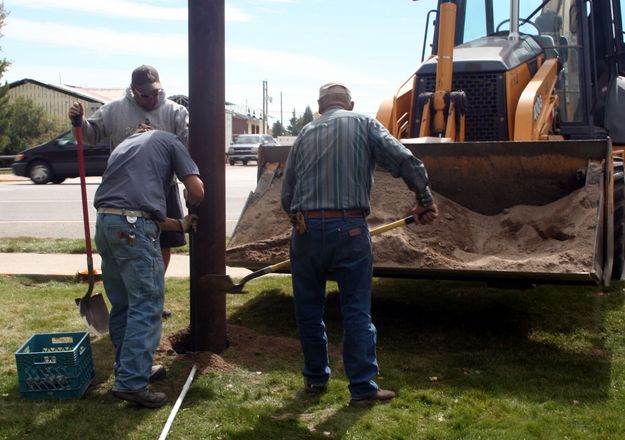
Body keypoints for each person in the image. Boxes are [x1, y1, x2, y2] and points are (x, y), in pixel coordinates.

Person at [281, 82, 439, 407]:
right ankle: (363, 388)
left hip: (305, 232)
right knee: (355, 310)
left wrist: (305, 222)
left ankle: (315, 378)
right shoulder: (363, 123)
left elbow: (287, 196)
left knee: (308, 310)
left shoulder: (304, 135)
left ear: (320, 105)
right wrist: (423, 198)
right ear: (349, 104)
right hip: (349, 229)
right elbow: (405, 160)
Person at [94, 124, 204, 408]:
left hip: (106, 225)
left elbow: (132, 211)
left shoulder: (125, 147)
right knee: (146, 304)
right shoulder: (170, 141)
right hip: (132, 230)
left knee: (123, 304)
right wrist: (191, 204)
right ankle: (132, 382)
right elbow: (197, 190)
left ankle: (127, 368)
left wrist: (178, 225)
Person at [68, 65, 189, 318]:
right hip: (125, 190)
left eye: (155, 93)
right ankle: (132, 300)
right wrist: (79, 123)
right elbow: (90, 134)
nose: (151, 98)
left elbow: (189, 144)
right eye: (145, 94)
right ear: (133, 90)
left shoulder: (175, 112)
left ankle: (152, 292)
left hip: (163, 186)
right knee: (129, 246)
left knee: (163, 243)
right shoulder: (114, 110)